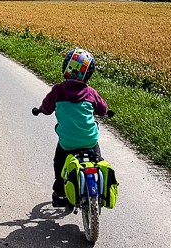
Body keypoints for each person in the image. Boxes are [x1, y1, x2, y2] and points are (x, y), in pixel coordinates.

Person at [32, 47, 113, 207]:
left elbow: (47, 108)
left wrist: (39, 110)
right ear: (88, 74)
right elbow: (102, 109)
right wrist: (106, 112)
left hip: (67, 143)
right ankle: (96, 187)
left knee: (59, 162)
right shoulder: (90, 92)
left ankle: (60, 192)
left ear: (66, 68)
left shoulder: (58, 91)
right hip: (90, 141)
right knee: (96, 159)